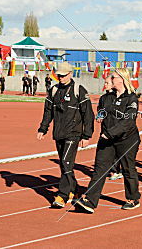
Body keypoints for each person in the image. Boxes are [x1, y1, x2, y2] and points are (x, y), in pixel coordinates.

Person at [75, 68, 141, 213]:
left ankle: (133, 198)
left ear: (121, 79)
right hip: (107, 139)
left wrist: (110, 133)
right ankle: (90, 201)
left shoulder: (131, 98)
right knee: (100, 168)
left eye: (113, 77)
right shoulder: (107, 97)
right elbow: (102, 109)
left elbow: (128, 122)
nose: (109, 79)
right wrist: (101, 115)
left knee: (128, 168)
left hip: (127, 140)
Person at [37, 62, 95, 208]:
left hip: (73, 134)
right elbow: (48, 111)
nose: (60, 78)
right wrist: (43, 128)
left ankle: (62, 196)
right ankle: (74, 190)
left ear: (70, 74)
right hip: (59, 133)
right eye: (58, 75)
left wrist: (86, 135)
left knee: (66, 162)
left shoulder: (79, 90)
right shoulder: (53, 90)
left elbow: (88, 114)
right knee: (65, 165)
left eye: (63, 75)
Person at [97, 76, 123, 181]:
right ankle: (111, 170)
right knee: (105, 150)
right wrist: (99, 116)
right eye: (105, 83)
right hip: (105, 128)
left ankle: (116, 170)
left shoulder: (117, 97)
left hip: (116, 128)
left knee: (117, 151)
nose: (105, 85)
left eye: (107, 83)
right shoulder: (103, 98)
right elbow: (100, 109)